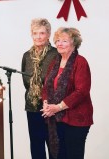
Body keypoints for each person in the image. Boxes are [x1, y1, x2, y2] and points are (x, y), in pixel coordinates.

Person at [41, 27, 93, 159]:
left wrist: (58, 107)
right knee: (58, 155)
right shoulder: (55, 62)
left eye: (64, 41)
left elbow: (81, 92)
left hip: (76, 119)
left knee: (73, 155)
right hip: (56, 118)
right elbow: (46, 87)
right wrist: (46, 103)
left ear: (74, 43)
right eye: (57, 40)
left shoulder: (81, 62)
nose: (59, 43)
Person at [21, 18, 57, 159]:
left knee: (54, 145)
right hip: (32, 106)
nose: (38, 37)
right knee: (36, 145)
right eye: (35, 33)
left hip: (51, 108)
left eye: (42, 33)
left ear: (48, 34)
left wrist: (47, 99)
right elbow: (25, 81)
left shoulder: (55, 54)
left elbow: (58, 81)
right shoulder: (27, 56)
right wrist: (36, 94)